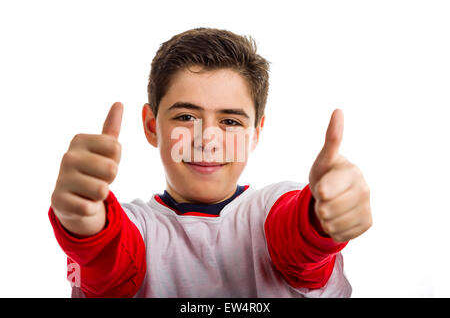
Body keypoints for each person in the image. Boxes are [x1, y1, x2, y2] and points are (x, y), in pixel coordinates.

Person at [48, 28, 372, 297]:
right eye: (186, 117)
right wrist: (85, 223)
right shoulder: (137, 228)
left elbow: (298, 241)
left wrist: (321, 220)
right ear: (151, 126)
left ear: (255, 134)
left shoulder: (270, 210)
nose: (207, 139)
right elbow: (110, 259)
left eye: (230, 122)